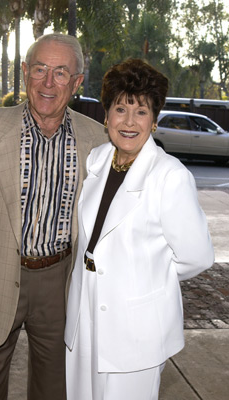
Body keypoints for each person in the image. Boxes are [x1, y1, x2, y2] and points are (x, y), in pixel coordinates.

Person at [0, 33, 107, 400]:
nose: (48, 83)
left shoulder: (98, 141)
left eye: (61, 73)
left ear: (76, 83)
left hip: (61, 283)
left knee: (55, 389)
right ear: (25, 72)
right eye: (40, 70)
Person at [65, 58, 214, 400]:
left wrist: (144, 275)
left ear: (155, 121)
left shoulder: (169, 176)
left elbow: (197, 257)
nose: (129, 122)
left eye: (141, 112)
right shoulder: (99, 159)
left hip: (135, 326)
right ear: (107, 116)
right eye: (120, 109)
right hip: (85, 312)